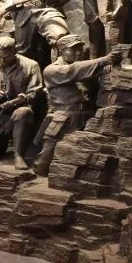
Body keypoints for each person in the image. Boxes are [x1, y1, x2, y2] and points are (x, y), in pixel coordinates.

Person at [35, 36, 123, 176]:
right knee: (47, 155)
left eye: (80, 49)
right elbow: (73, 71)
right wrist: (103, 60)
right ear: (61, 51)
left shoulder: (85, 68)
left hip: (86, 116)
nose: (79, 52)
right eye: (74, 49)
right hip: (64, 117)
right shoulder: (52, 70)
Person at [0, 36, 43, 170]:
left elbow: (36, 91)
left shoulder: (31, 65)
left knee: (23, 112)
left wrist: (25, 97)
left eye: (5, 57)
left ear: (15, 51)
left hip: (19, 113)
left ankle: (18, 155)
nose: (2, 60)